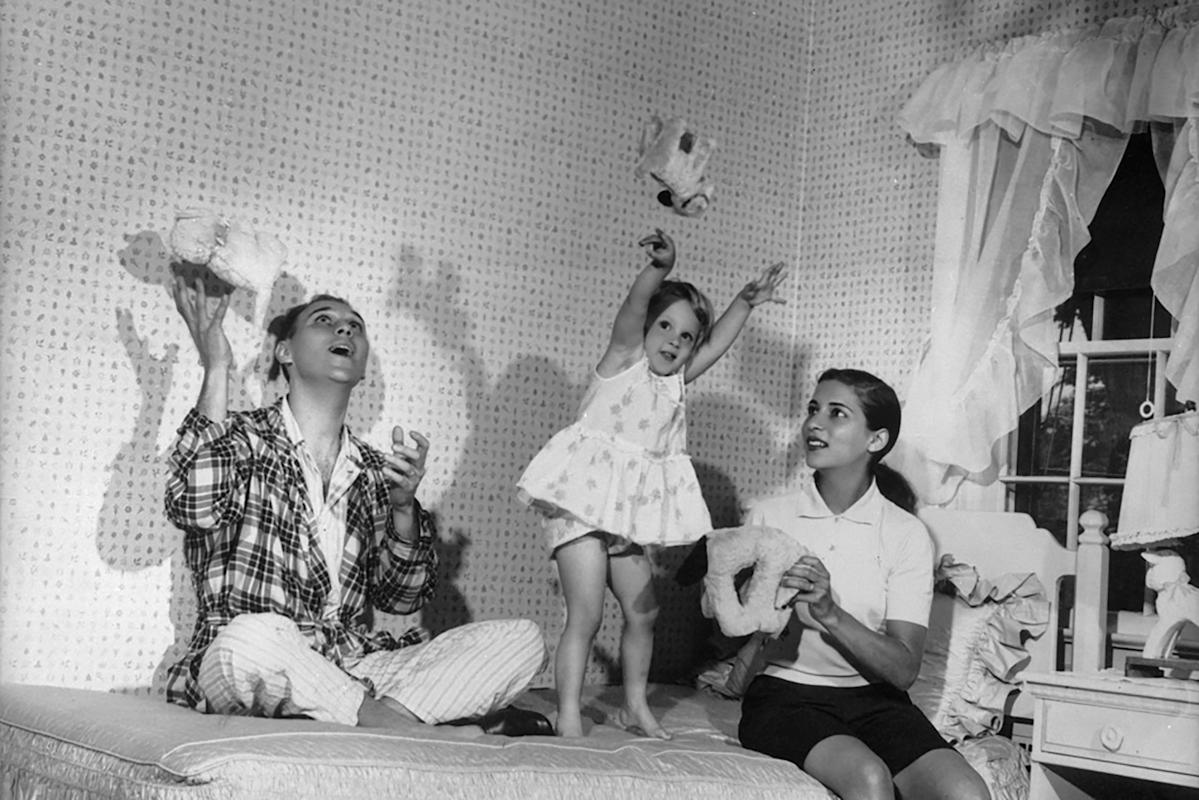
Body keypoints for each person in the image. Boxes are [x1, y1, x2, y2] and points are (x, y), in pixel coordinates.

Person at [163, 274, 551, 737]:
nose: (344, 329)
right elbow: (195, 507)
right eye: (323, 320)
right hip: (257, 659)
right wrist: (217, 368)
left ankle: (376, 718)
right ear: (285, 352)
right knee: (248, 639)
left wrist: (404, 509)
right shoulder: (240, 437)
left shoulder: (374, 470)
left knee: (522, 640)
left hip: (351, 665)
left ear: (362, 366)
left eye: (355, 325)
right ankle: (413, 727)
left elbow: (402, 598)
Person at [517, 230, 787, 738]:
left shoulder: (675, 384)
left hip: (624, 517)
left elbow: (717, 343)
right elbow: (634, 306)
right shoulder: (623, 359)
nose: (674, 342)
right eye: (665, 326)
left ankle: (635, 706)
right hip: (580, 508)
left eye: (685, 337)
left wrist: (745, 303)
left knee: (645, 612)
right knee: (586, 615)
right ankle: (568, 713)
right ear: (646, 327)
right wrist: (659, 269)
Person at [736, 368, 991, 800]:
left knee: (968, 793)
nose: (814, 423)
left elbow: (903, 670)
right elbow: (737, 622)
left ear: (876, 440)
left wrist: (829, 612)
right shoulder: (768, 515)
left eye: (837, 413)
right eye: (813, 409)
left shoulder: (906, 534)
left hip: (876, 702)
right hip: (784, 696)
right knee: (869, 778)